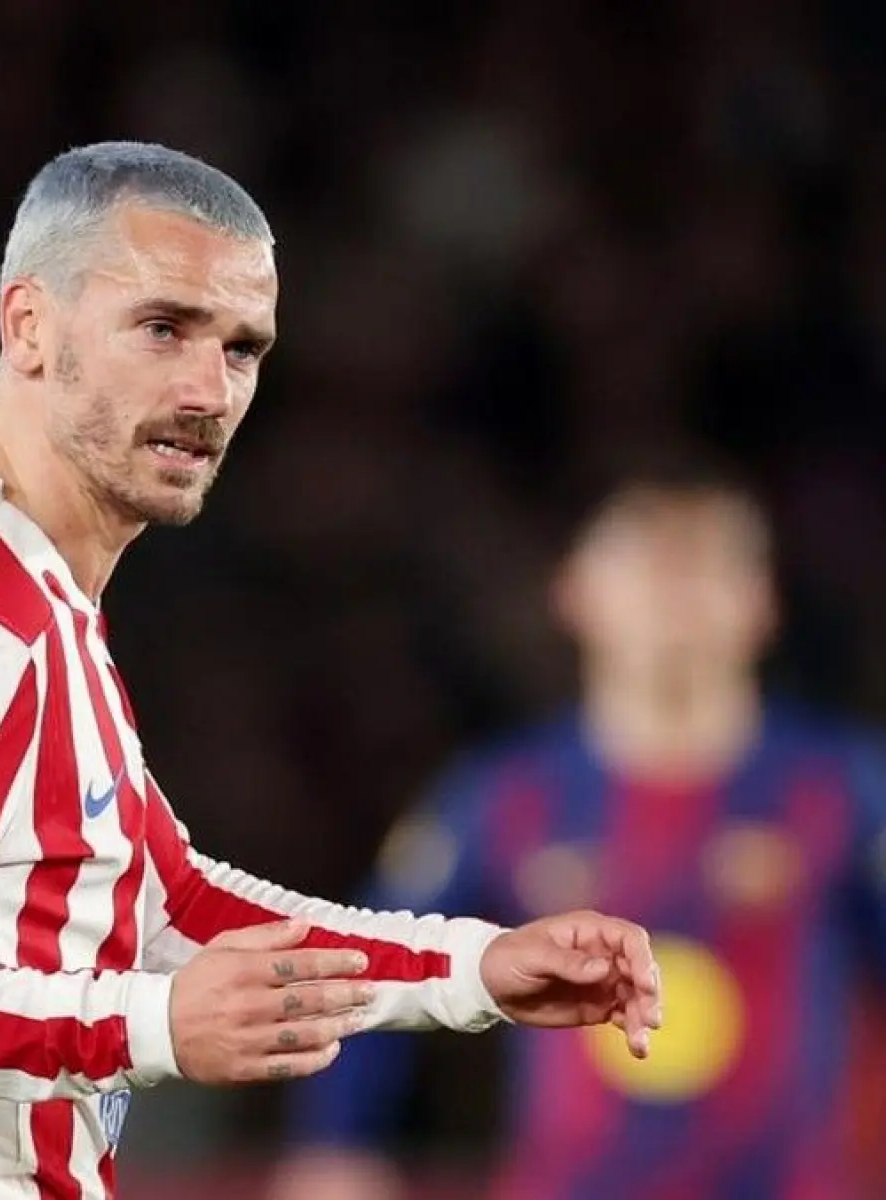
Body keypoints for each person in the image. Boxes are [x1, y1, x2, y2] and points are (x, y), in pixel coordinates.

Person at [0, 142, 660, 1200]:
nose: (210, 389)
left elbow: (163, 897)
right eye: (163, 328)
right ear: (28, 325)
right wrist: (147, 1022)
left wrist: (471, 969)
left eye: (243, 348)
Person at [270, 451, 886, 1200]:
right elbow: (370, 965)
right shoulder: (504, 797)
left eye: (708, 562)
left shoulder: (844, 789)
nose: (676, 591)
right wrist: (335, 1149)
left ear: (763, 601)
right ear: (574, 591)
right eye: (648, 561)